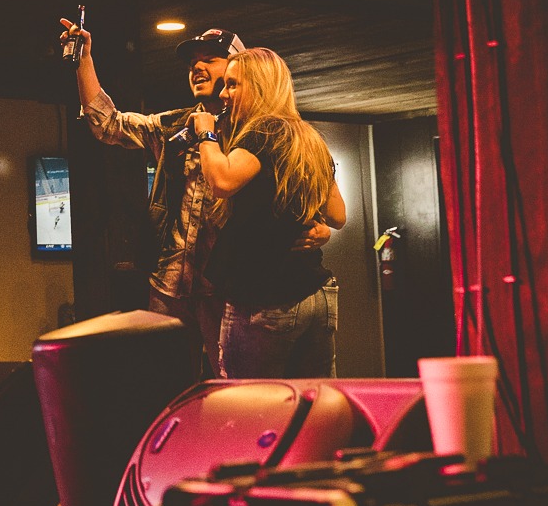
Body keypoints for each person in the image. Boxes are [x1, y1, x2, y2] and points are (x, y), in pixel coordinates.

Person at [66, 20, 330, 378]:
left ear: (240, 66)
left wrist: (320, 229)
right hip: (170, 283)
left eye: (211, 59)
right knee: (163, 382)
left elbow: (306, 196)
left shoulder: (261, 132)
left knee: (230, 385)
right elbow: (107, 124)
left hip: (229, 287)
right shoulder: (177, 126)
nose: (197, 67)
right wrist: (84, 58)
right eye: (193, 61)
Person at [189, 47, 346, 379]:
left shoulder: (265, 131)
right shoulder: (309, 137)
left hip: (268, 299)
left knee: (251, 405)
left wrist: (206, 134)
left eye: (233, 85)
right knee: (315, 406)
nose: (224, 93)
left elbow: (222, 180)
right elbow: (337, 215)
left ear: (259, 87)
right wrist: (321, 230)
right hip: (315, 295)